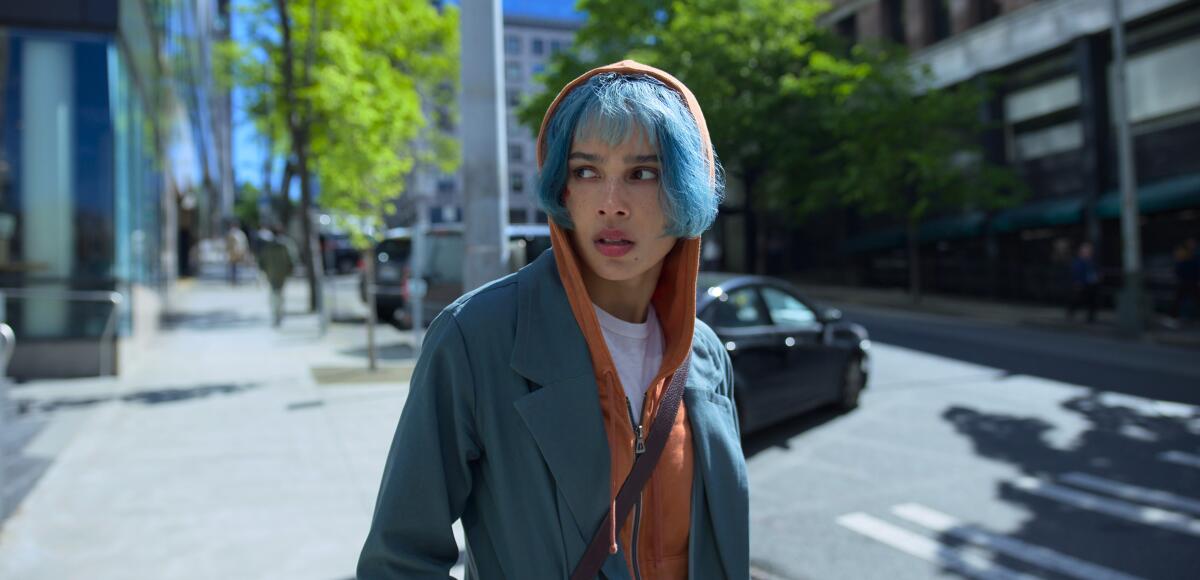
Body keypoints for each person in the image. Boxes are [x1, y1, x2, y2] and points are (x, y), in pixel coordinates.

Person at [358, 62, 747, 579]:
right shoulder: (476, 338)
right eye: (586, 171)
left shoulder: (707, 356)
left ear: (687, 192)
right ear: (562, 189)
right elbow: (396, 562)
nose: (612, 204)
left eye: (643, 173)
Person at [257, 225, 295, 327]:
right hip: (282, 274)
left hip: (271, 273)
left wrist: (265, 271)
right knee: (280, 294)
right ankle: (279, 313)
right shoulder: (286, 245)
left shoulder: (268, 246)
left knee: (274, 294)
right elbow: (292, 260)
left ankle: (276, 314)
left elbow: (261, 261)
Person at [1067, 241, 1101, 323]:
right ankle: (1071, 312)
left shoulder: (1092, 261)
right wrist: (1077, 282)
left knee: (1091, 300)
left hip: (1091, 283)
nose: (1087, 252)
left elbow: (1096, 270)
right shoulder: (1078, 262)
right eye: (1086, 250)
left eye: (1089, 250)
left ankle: (1091, 316)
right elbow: (1076, 272)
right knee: (1077, 299)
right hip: (1082, 283)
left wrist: (1098, 276)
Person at [1174, 238, 1199, 321]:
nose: (1192, 245)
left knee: (1196, 298)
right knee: (1179, 298)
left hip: (1193, 281)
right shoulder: (1183, 253)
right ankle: (1176, 315)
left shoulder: (1195, 254)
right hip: (1184, 281)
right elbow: (1179, 267)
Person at [226, 220, 249, 285]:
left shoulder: (235, 233)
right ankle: (235, 279)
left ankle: (235, 279)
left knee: (235, 266)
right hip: (235, 251)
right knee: (234, 266)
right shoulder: (237, 233)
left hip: (236, 251)